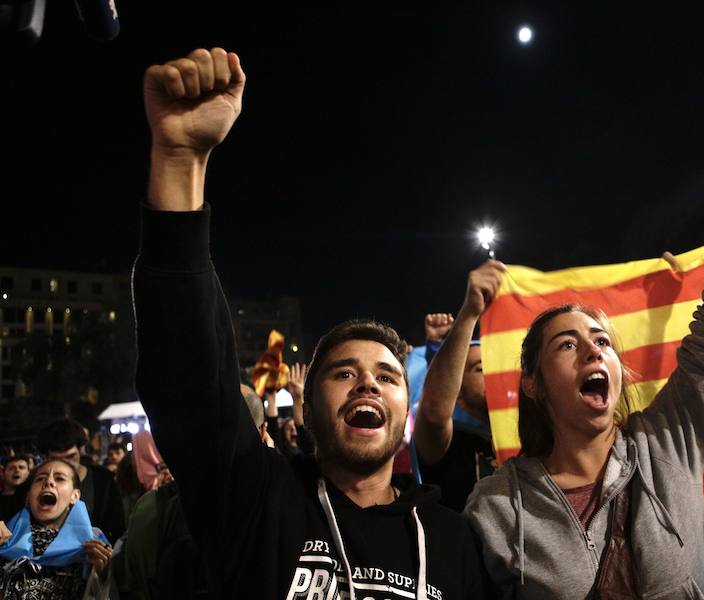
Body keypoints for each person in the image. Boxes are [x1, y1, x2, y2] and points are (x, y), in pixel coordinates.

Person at [133, 47, 486, 599]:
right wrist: (179, 163)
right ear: (311, 411)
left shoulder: (455, 541)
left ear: (404, 411)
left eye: (388, 377)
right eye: (344, 373)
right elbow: (190, 377)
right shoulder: (256, 499)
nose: (369, 382)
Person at [464, 80, 704, 598]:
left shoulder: (669, 443)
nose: (593, 350)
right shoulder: (497, 506)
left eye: (602, 341)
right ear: (532, 384)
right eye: (566, 345)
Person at [414, 270, 503, 511]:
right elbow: (433, 412)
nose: (493, 375)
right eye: (480, 368)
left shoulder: (533, 438)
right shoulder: (451, 443)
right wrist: (470, 313)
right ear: (458, 395)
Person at [0, 459, 112, 599]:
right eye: (40, 479)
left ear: (75, 496)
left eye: (59, 478)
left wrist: (104, 577)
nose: (49, 482)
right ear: (28, 498)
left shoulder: (94, 546)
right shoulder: (6, 539)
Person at [36, 419, 126, 544]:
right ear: (45, 457)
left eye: (71, 456)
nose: (66, 464)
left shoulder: (104, 481)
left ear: (81, 450)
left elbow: (118, 528)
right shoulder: (35, 486)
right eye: (57, 459)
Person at [0, 457, 29, 522]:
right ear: (3, 474)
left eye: (21, 467)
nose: (17, 470)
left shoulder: (34, 500)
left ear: (28, 473)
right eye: (11, 468)